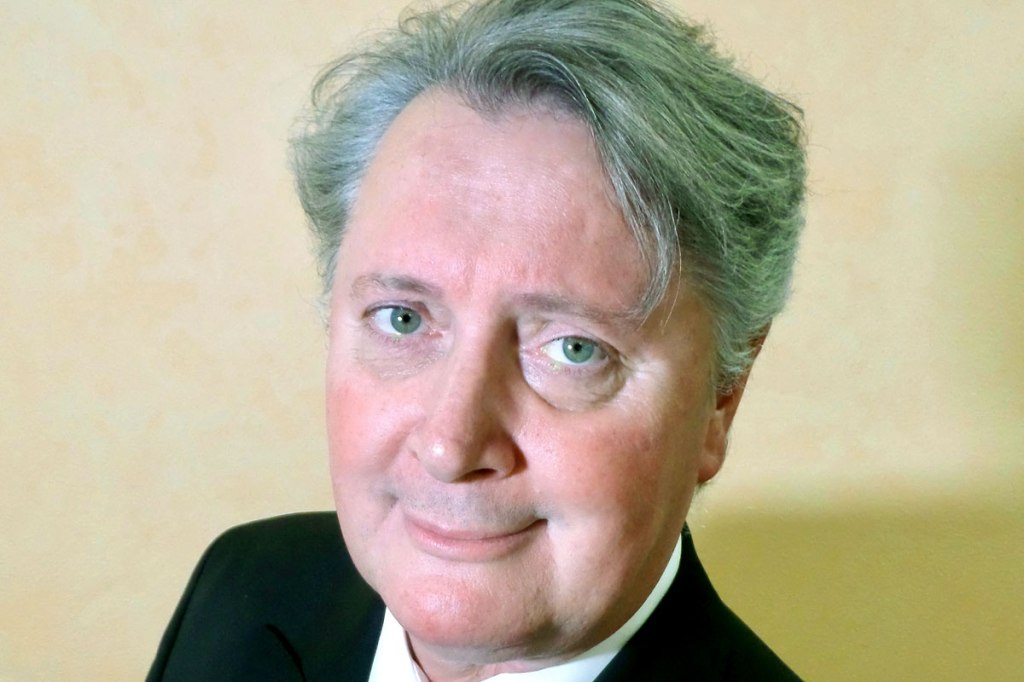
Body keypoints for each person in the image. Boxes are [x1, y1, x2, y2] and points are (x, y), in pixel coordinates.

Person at [147, 0, 806, 679]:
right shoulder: (247, 591)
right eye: (402, 318)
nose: (451, 446)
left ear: (722, 397)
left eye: (573, 349)